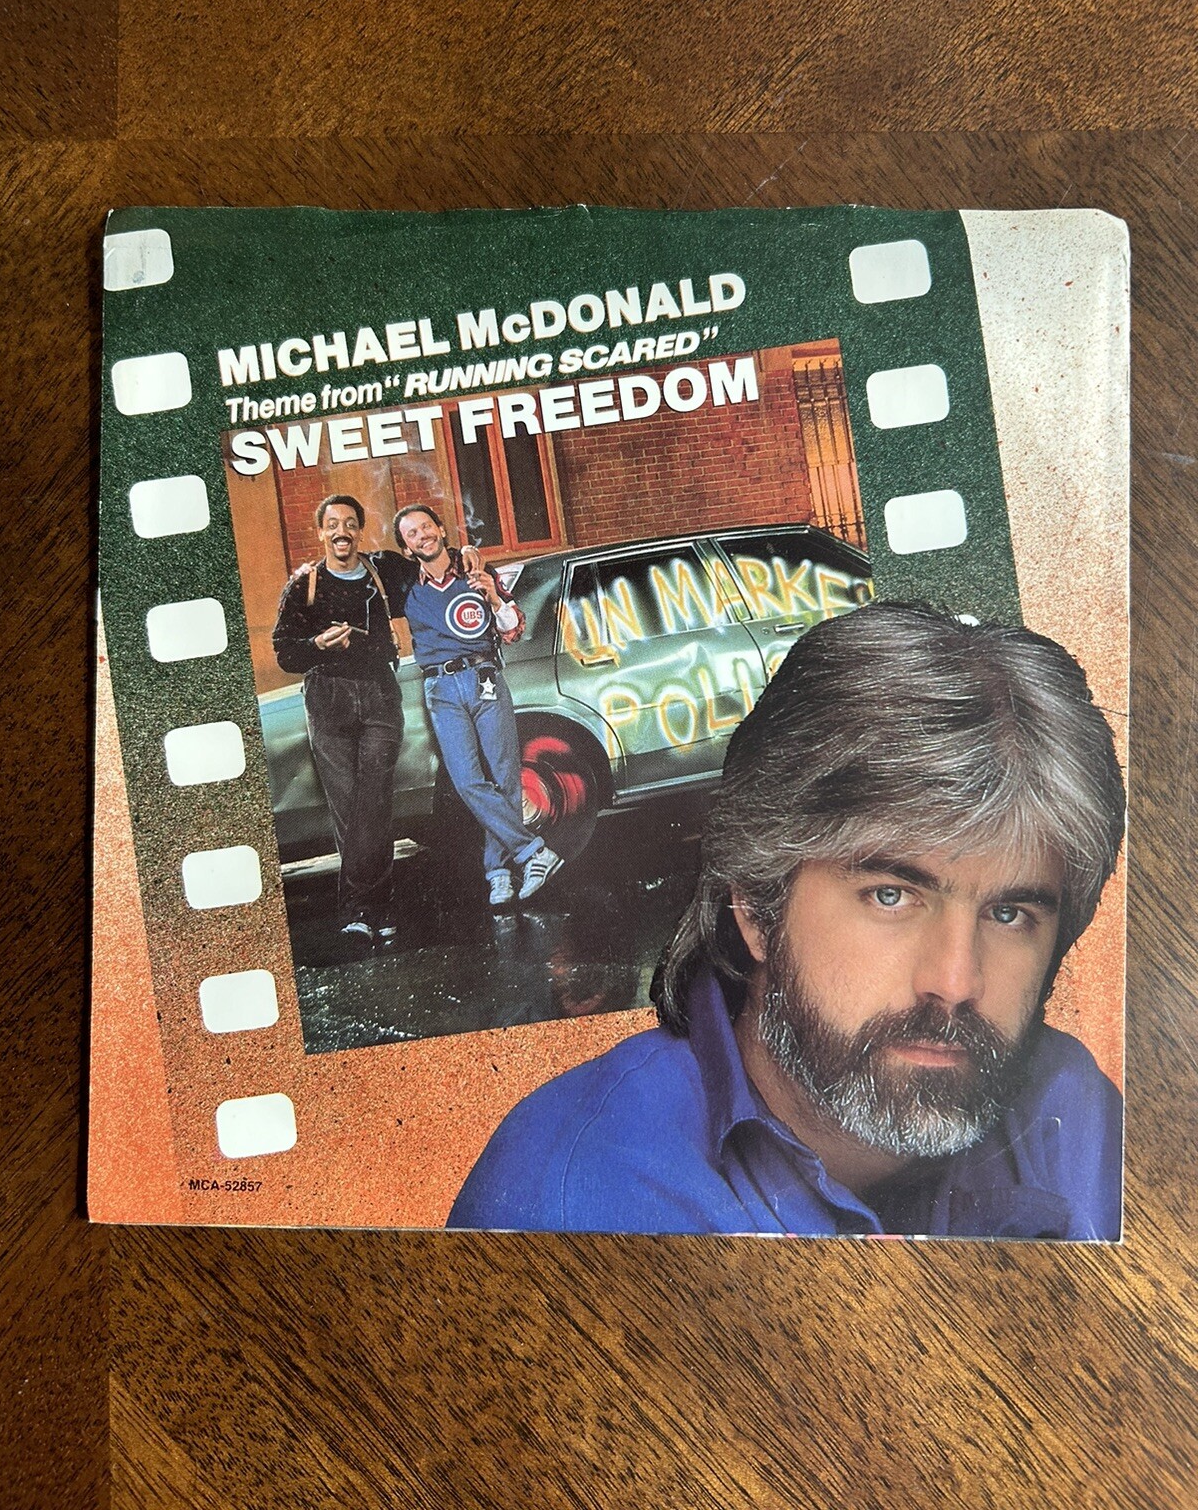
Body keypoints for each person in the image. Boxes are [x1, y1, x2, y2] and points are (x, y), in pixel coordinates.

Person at [448, 602, 1127, 1238]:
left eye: (1008, 913)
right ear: (756, 907)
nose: (954, 983)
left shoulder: (1075, 1114)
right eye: (891, 896)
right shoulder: (575, 1200)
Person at [393, 503, 563, 907]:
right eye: (412, 533)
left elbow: (514, 630)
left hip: (484, 676)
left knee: (504, 776)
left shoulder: (475, 572)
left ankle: (498, 872)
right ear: (406, 547)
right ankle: (534, 852)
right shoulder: (404, 585)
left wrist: (494, 598)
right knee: (467, 780)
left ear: (440, 529)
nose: (422, 535)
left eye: (426, 527)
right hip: (440, 687)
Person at [272, 494, 405, 947]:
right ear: (321, 533)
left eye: (349, 523)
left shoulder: (381, 570)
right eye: (332, 524)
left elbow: (428, 562)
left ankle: (364, 910)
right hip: (328, 697)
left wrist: (466, 555)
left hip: (380, 694)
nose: (341, 531)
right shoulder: (304, 585)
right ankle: (371, 909)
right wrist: (317, 646)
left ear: (359, 531)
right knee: (348, 806)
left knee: (374, 801)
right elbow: (284, 653)